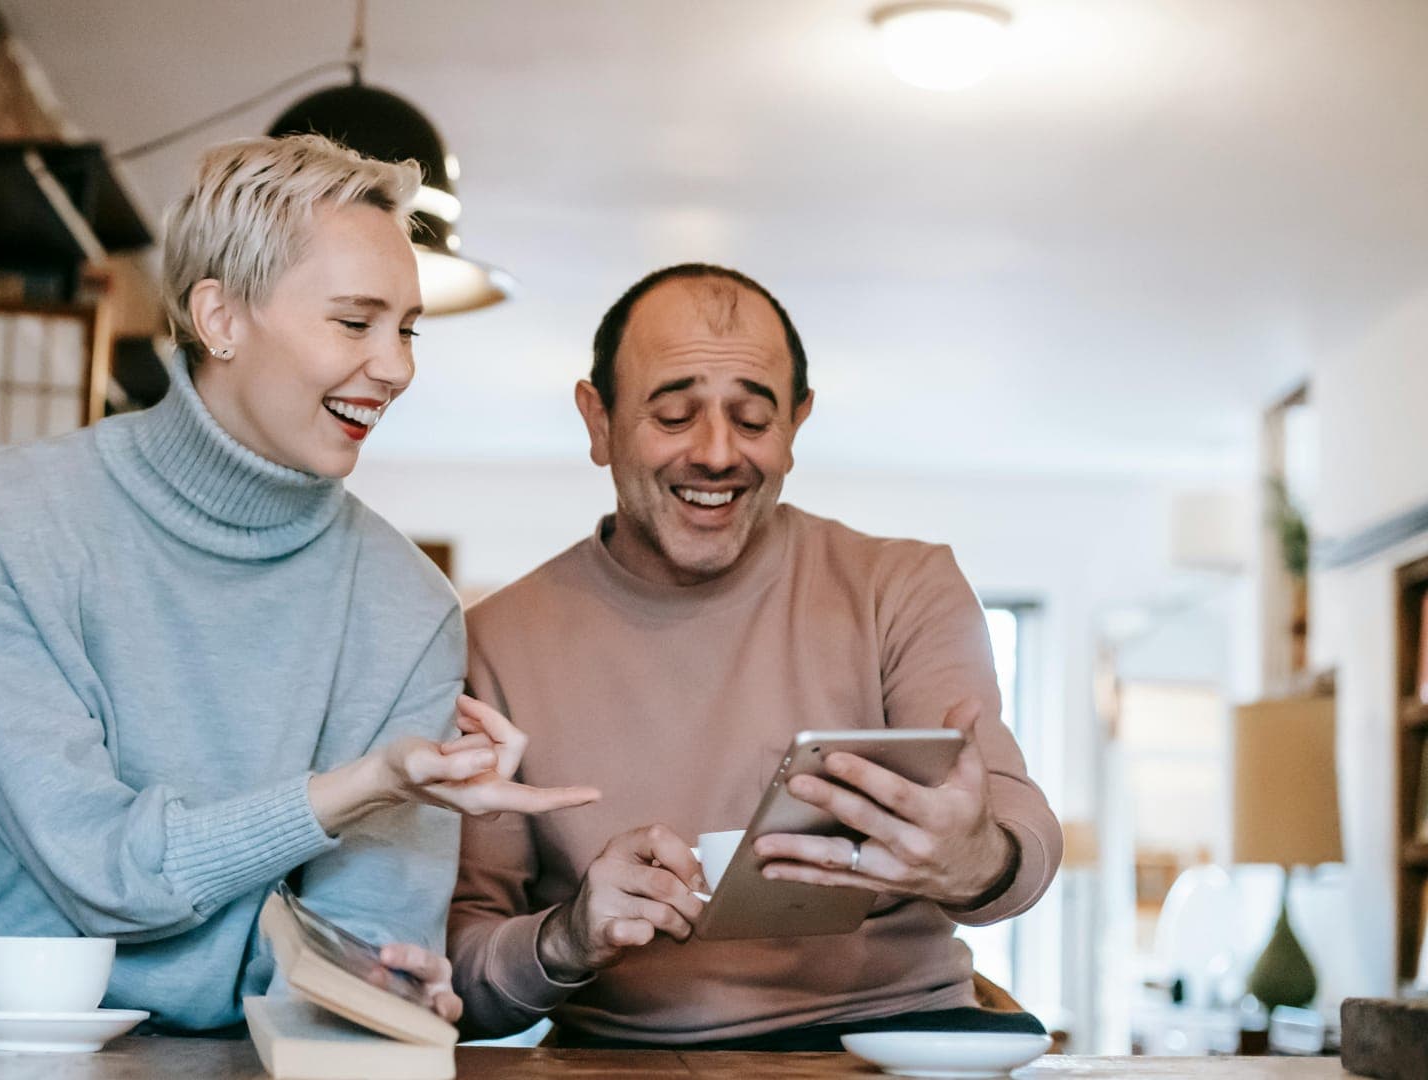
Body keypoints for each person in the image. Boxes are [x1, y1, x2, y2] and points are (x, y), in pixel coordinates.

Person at [0, 134, 595, 1030]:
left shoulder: (407, 606)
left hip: (255, 1063)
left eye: (407, 330)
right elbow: (100, 873)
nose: (398, 367)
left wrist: (384, 987)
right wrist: (363, 783)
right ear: (219, 319)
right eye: (355, 322)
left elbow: (358, 948)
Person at [447, 263, 1061, 1050]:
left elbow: (1019, 829)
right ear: (597, 421)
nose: (715, 453)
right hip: (631, 1061)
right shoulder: (496, 641)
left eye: (752, 418)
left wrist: (974, 858)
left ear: (797, 425)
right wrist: (565, 938)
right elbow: (459, 974)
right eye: (673, 415)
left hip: (895, 1038)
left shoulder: (904, 586)